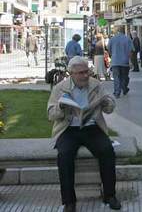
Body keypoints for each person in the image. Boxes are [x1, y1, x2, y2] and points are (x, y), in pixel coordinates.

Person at [47, 56, 121, 212]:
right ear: (71, 73)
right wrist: (61, 107)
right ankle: (69, 202)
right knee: (64, 155)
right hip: (68, 129)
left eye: (87, 71)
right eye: (80, 73)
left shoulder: (96, 85)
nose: (85, 75)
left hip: (91, 127)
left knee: (107, 150)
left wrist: (107, 103)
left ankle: (110, 195)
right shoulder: (59, 88)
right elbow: (51, 115)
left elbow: (109, 107)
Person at [108, 26, 133, 98]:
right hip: (125, 62)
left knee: (116, 77)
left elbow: (109, 49)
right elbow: (131, 51)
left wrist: (112, 56)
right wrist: (130, 60)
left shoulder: (112, 39)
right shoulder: (127, 39)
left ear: (117, 31)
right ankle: (124, 88)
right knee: (124, 77)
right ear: (124, 31)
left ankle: (117, 92)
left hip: (115, 61)